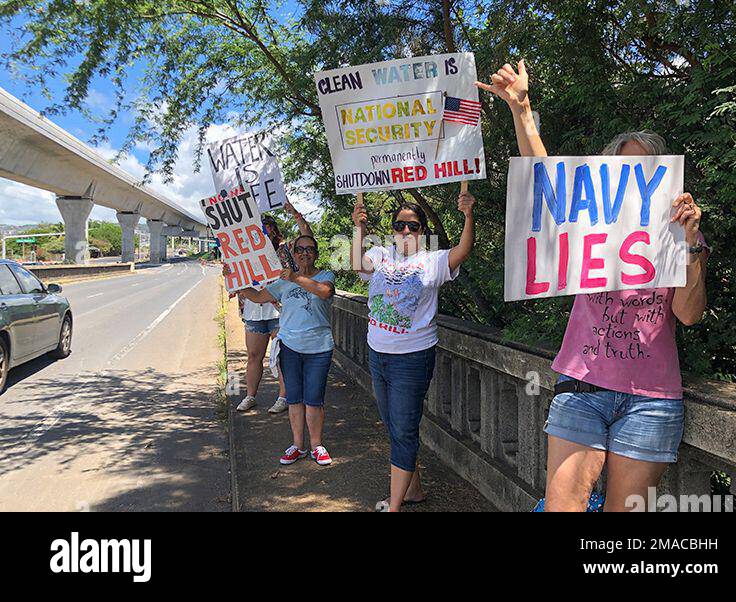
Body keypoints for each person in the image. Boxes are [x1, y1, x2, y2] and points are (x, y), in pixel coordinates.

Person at [477, 60, 709, 512]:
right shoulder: (589, 222)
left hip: (651, 402)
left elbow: (688, 313)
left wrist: (692, 244)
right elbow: (547, 181)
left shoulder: (683, 233)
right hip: (582, 390)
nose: (634, 177)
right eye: (623, 168)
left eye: (645, 169)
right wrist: (522, 110)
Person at [352, 193, 476, 512]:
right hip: (377, 352)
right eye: (399, 225)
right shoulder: (380, 253)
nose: (406, 231)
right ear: (393, 230)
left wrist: (467, 216)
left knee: (404, 429)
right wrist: (359, 229)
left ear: (422, 230)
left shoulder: (432, 261)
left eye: (413, 226)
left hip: (413, 357)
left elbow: (462, 252)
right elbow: (355, 265)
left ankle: (394, 506)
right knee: (393, 425)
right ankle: (413, 490)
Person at [238, 234, 336, 466]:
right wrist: (237, 282)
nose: (304, 253)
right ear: (293, 254)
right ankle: (297, 445)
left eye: (309, 249)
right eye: (299, 249)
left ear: (316, 254)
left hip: (319, 347)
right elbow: (259, 296)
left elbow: (324, 292)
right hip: (290, 347)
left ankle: (316, 446)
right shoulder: (283, 282)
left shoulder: (326, 276)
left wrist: (295, 277)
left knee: (314, 400)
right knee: (294, 399)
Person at [235, 201, 314, 413]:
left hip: (280, 311)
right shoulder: (244, 255)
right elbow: (235, 280)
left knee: (281, 356)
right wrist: (229, 275)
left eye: (267, 228)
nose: (263, 233)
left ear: (274, 231)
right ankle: (250, 395)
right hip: (253, 310)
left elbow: (307, 236)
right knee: (253, 356)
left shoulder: (285, 250)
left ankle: (283, 397)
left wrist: (294, 213)